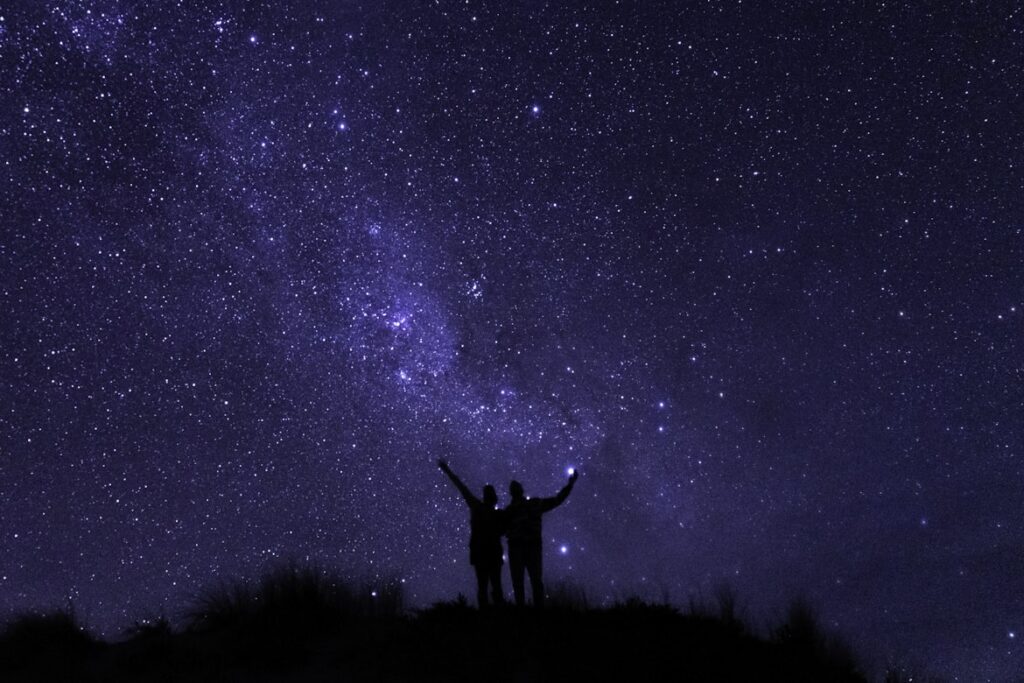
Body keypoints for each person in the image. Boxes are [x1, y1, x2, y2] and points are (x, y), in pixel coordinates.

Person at [504, 469, 579, 607]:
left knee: (526, 582)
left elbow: (557, 500)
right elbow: (557, 500)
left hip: (524, 548)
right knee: (529, 581)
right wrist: (570, 485)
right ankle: (536, 614)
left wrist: (570, 485)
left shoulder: (514, 510)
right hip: (526, 548)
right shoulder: (517, 509)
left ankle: (530, 614)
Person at [437, 458, 506, 607]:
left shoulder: (479, 508)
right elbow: (504, 530)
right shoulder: (497, 514)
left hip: (482, 553)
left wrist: (447, 470)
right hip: (490, 554)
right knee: (495, 587)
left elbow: (462, 487)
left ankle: (486, 618)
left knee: (484, 588)